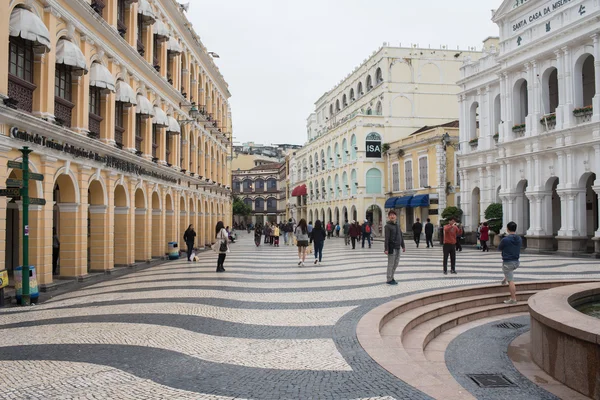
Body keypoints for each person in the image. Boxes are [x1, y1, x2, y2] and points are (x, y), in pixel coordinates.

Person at [498, 221, 521, 304]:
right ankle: (505, 278)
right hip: (516, 262)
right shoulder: (519, 238)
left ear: (507, 229)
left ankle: (513, 298)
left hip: (508, 262)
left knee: (510, 281)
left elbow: (499, 248)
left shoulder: (505, 239)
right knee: (508, 271)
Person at [384, 210, 405, 285]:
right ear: (389, 217)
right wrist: (386, 249)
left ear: (396, 216)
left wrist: (403, 245)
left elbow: (401, 236)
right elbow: (386, 238)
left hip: (398, 247)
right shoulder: (387, 226)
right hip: (391, 247)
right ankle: (389, 279)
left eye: (393, 215)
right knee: (391, 264)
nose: (392, 216)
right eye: (391, 215)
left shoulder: (397, 225)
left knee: (396, 263)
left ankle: (392, 277)